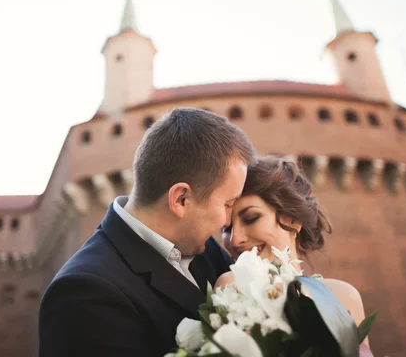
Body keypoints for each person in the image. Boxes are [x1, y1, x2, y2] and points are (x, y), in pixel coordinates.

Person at [38, 108, 256, 356]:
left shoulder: (203, 247)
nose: (228, 221)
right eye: (227, 204)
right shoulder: (84, 294)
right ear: (181, 199)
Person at [217, 155, 373, 355]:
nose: (235, 239)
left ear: (292, 220)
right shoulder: (230, 287)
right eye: (226, 228)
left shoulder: (343, 296)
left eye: (251, 218)